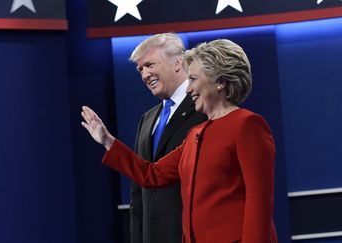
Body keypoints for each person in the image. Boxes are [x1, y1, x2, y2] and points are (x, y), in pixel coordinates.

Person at [81, 39, 278, 243]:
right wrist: (107, 141)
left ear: (220, 82)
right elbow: (152, 175)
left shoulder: (247, 125)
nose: (189, 89)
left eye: (193, 79)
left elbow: (259, 202)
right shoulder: (195, 134)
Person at [126, 33, 207, 243]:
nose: (145, 74)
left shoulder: (204, 108)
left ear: (178, 63)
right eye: (140, 69)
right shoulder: (146, 119)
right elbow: (138, 192)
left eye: (150, 65)